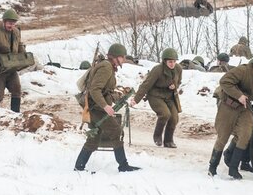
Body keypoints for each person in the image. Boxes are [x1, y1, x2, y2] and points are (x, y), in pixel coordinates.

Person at [73, 43, 140, 172]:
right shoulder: (106, 67)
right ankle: (123, 166)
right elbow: (95, 90)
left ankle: (79, 167)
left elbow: (103, 89)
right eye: (122, 57)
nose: (123, 60)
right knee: (116, 131)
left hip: (95, 107)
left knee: (94, 137)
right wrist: (105, 106)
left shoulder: (108, 66)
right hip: (96, 108)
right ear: (115, 57)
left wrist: (115, 95)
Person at [131, 48, 182, 148]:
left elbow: (178, 81)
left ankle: (168, 141)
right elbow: (146, 85)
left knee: (174, 118)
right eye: (170, 61)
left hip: (169, 96)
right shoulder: (157, 70)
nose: (172, 64)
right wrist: (136, 99)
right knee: (165, 114)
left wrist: (175, 86)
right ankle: (157, 136)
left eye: (174, 61)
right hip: (155, 95)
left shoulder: (178, 69)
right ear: (164, 61)